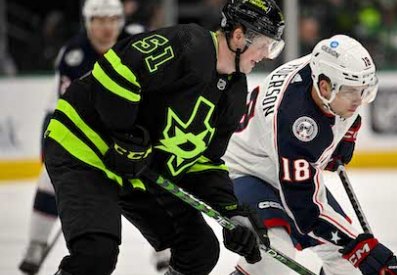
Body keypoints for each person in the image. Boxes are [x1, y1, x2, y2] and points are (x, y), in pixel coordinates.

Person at [42, 0, 285, 274]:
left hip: (139, 166)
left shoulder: (234, 92)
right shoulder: (185, 43)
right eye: (265, 44)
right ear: (239, 35)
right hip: (84, 148)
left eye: (273, 47)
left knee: (199, 249)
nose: (266, 54)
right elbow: (115, 72)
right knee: (95, 255)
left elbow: (203, 160)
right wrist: (125, 133)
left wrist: (232, 211)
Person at [223, 35, 397, 275]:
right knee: (274, 257)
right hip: (246, 169)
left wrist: (345, 133)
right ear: (324, 86)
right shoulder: (295, 122)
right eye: (351, 92)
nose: (358, 101)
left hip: (282, 164)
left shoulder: (328, 71)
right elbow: (306, 211)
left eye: (363, 91)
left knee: (346, 266)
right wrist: (363, 248)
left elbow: (340, 109)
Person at [18, 0, 141, 274]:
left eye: (112, 19)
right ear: (88, 23)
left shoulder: (136, 41)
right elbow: (71, 117)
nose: (107, 27)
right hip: (68, 125)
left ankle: (167, 250)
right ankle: (36, 244)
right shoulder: (73, 55)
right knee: (49, 179)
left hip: (125, 129)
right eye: (99, 20)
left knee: (149, 184)